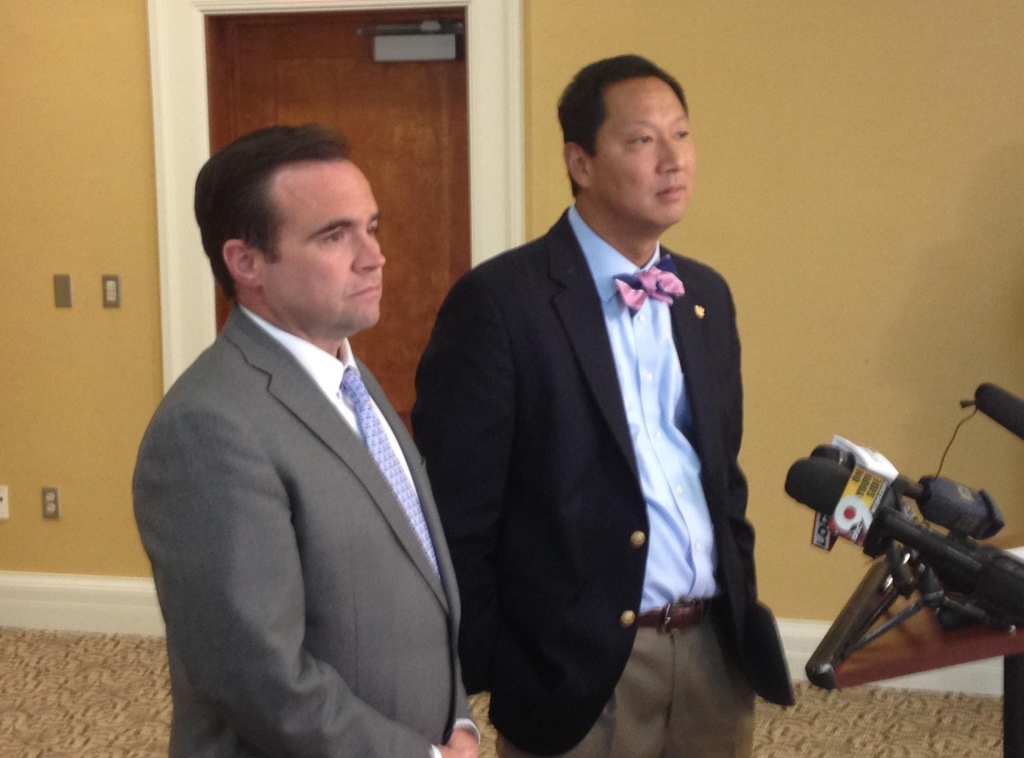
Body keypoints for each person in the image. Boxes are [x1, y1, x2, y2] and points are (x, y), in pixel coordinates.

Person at [412, 55, 793, 758]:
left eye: (682, 135)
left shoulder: (705, 295)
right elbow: (457, 516)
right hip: (578, 666)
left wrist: (736, 600)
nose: (673, 160)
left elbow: (719, 477)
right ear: (580, 162)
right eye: (643, 140)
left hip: (712, 649)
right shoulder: (501, 304)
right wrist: (497, 670)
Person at [133, 125, 478, 758]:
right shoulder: (208, 429)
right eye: (335, 234)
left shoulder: (352, 376)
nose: (373, 255)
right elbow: (259, 679)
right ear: (247, 262)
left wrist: (455, 719)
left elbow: (420, 574)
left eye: (371, 227)